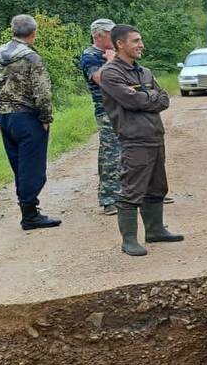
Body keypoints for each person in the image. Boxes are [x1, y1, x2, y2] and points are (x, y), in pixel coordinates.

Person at [98, 25, 183, 255]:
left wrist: (144, 97)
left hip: (155, 136)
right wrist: (148, 98)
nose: (141, 45)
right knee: (132, 189)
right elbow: (130, 101)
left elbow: (164, 99)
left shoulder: (143, 72)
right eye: (135, 41)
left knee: (157, 187)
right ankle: (129, 241)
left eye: (140, 40)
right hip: (134, 140)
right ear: (120, 44)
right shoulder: (111, 73)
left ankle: (155, 230)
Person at [0, 14, 61, 230]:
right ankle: (30, 215)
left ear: (12, 30)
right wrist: (45, 118)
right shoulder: (31, 58)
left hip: (4, 116)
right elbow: (42, 92)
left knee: (19, 165)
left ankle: (28, 210)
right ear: (33, 33)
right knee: (32, 167)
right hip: (27, 117)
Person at [76, 19, 121, 215]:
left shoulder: (117, 52)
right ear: (98, 35)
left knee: (134, 151)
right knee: (111, 154)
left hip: (126, 107)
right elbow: (100, 79)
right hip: (106, 110)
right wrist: (111, 60)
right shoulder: (90, 55)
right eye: (110, 33)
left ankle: (138, 193)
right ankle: (109, 198)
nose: (114, 37)